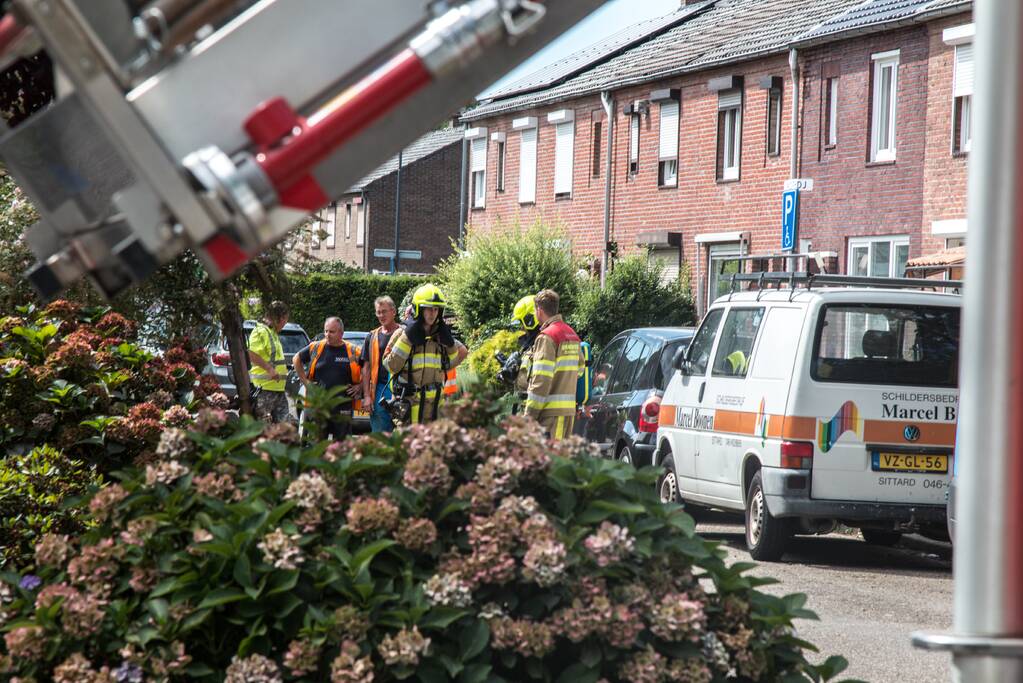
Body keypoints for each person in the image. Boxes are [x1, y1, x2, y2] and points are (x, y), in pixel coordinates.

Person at [382, 284, 467, 425]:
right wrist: (407, 338)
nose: (432, 313)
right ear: (418, 309)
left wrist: (450, 343)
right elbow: (390, 366)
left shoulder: (440, 335)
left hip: (435, 408)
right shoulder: (402, 333)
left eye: (435, 309)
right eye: (428, 309)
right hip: (409, 409)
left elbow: (458, 357)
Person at [523, 289, 584, 439]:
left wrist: (528, 417)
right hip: (567, 413)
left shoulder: (547, 337)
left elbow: (541, 381)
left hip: (550, 416)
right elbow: (580, 369)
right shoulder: (571, 334)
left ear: (539, 310)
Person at [293, 317, 363, 440]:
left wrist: (361, 386)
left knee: (342, 447)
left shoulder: (353, 350)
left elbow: (369, 368)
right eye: (326, 331)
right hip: (319, 406)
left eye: (332, 332)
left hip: (343, 407)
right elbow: (296, 359)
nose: (327, 335)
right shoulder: (316, 347)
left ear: (341, 333)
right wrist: (305, 381)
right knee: (318, 445)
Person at [359, 296, 401, 433]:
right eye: (378, 312)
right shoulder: (372, 336)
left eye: (384, 311)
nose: (381, 315)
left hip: (401, 388)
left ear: (393, 312)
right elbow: (366, 368)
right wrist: (366, 396)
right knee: (380, 433)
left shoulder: (405, 334)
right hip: (379, 389)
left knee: (402, 430)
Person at [248, 300, 291, 423]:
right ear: (280, 318)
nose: (285, 323)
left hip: (277, 390)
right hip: (264, 390)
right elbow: (251, 353)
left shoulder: (272, 333)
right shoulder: (260, 331)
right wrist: (270, 369)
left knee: (284, 429)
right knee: (263, 429)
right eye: (285, 319)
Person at [511, 294, 541, 407]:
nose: (521, 328)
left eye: (521, 322)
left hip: (534, 410)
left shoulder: (542, 342)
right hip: (526, 408)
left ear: (529, 320)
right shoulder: (528, 343)